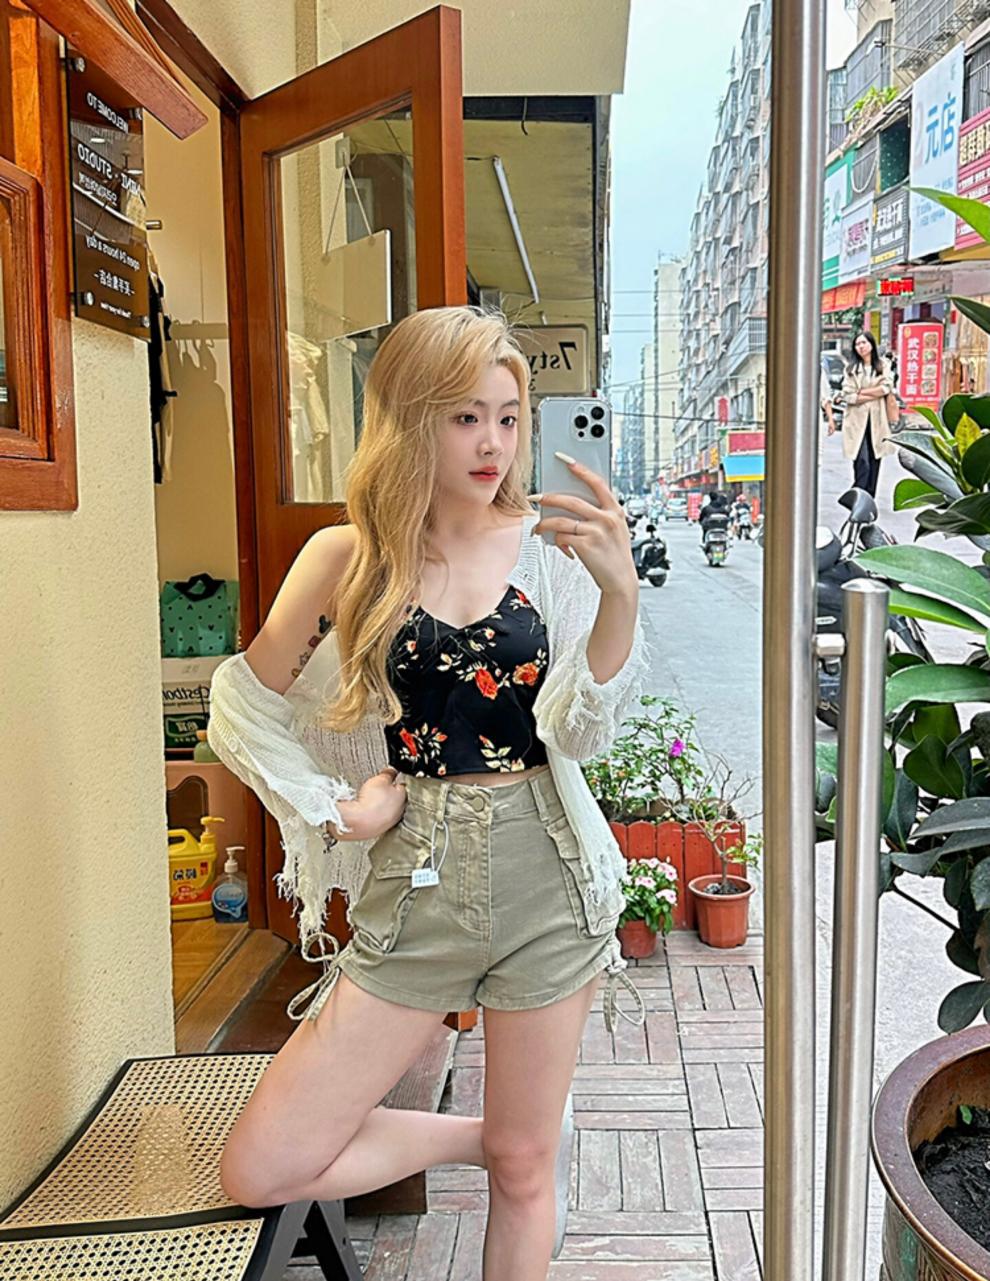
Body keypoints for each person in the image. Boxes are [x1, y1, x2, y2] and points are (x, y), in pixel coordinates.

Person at [205, 306, 651, 1278]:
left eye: (507, 416)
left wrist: (619, 594)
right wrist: (334, 808)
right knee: (264, 1163)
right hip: (416, 879)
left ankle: (521, 1147)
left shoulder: (548, 549)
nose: (493, 443)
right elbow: (241, 703)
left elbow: (582, 733)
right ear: (410, 419)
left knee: (525, 1175)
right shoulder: (348, 558)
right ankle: (496, 1139)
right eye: (465, 418)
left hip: (547, 871)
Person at [841, 330, 894, 497]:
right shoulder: (851, 369)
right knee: (861, 461)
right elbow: (848, 395)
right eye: (857, 344)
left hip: (877, 419)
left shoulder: (883, 365)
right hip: (856, 421)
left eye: (864, 342)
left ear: (871, 345)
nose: (861, 347)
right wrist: (873, 393)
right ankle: (858, 496)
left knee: (875, 459)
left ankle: (869, 498)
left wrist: (861, 392)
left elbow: (886, 388)